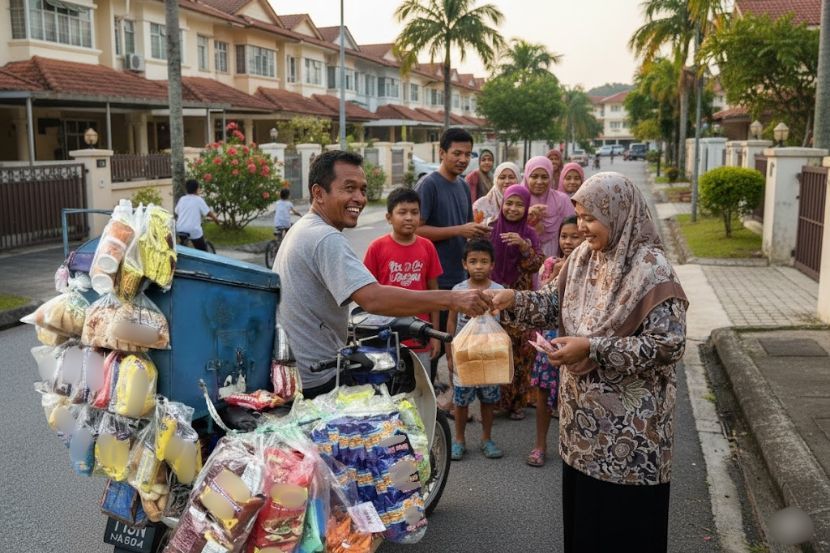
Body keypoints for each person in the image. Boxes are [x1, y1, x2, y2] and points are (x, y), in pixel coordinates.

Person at [487, 172, 688, 552]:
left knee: (623, 532)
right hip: (582, 432)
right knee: (586, 527)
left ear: (619, 213)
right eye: (579, 216)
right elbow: (551, 304)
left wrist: (592, 348)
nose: (582, 226)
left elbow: (669, 344)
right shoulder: (582, 258)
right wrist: (511, 300)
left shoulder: (652, 269)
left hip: (631, 436)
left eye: (591, 217)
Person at [273, 150, 492, 397]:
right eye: (348, 188)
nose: (359, 198)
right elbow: (373, 298)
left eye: (362, 190)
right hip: (318, 376)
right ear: (318, 193)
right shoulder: (325, 237)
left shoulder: (304, 228)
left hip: (298, 371)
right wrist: (453, 298)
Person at [416, 127, 491, 379]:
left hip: (460, 276)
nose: (462, 159)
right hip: (436, 277)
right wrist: (461, 229)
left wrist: (476, 233)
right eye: (456, 153)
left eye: (467, 154)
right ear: (441, 152)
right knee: (435, 339)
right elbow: (417, 230)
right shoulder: (428, 184)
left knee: (456, 337)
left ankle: (453, 390)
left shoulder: (461, 185)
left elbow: (465, 228)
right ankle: (434, 394)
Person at [363, 187, 443, 371]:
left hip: (419, 335)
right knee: (388, 388)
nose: (409, 217)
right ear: (389, 217)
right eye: (402, 212)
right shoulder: (377, 248)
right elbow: (367, 296)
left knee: (420, 389)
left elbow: (434, 294)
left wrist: (435, 335)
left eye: (414, 212)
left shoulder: (427, 246)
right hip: (386, 337)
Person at [527, 216, 583, 467]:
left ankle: (575, 445)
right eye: (564, 236)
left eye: (575, 236)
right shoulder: (550, 264)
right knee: (543, 392)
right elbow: (541, 298)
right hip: (551, 336)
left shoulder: (594, 265)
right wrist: (557, 276)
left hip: (579, 339)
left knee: (576, 393)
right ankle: (540, 443)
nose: (568, 241)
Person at [446, 238, 504, 461]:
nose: (478, 266)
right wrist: (449, 353)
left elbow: (503, 326)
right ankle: (459, 440)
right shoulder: (457, 290)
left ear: (492, 265)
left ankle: (486, 439)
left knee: (488, 401)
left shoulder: (499, 291)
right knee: (461, 402)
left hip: (490, 356)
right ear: (464, 264)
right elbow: (451, 323)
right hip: (465, 355)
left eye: (484, 261)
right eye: (473, 261)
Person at [490, 185, 545, 420]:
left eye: (519, 204)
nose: (513, 208)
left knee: (522, 353)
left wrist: (524, 247)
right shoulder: (491, 228)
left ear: (526, 208)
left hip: (521, 303)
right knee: (497, 350)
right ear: (502, 204)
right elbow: (478, 259)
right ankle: (498, 400)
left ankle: (518, 402)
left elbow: (537, 266)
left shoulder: (530, 233)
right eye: (509, 203)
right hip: (493, 299)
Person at [524, 156, 575, 259]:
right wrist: (526, 215)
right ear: (526, 176)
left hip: (556, 263)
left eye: (544, 177)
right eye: (534, 176)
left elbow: (574, 233)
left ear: (550, 178)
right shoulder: (518, 202)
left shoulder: (562, 201)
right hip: (524, 265)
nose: (539, 182)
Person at [175, 178, 220, 251]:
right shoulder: (198, 199)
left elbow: (176, 211)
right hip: (193, 230)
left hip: (180, 229)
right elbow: (208, 213)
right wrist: (216, 219)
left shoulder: (182, 199)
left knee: (183, 248)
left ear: (186, 189)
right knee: (203, 251)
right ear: (197, 189)